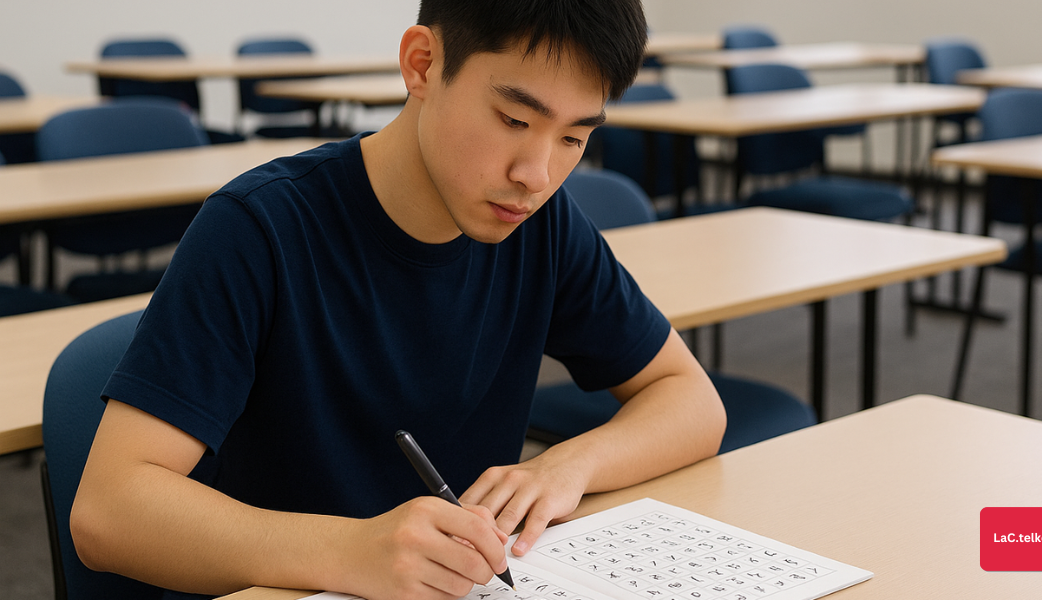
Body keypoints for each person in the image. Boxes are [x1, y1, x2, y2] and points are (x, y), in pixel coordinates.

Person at [70, 1, 727, 599]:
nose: (537, 174)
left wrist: (570, 463)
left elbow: (692, 400)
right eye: (513, 119)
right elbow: (108, 513)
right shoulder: (260, 228)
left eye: (574, 137)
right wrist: (348, 549)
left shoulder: (543, 225)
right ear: (422, 65)